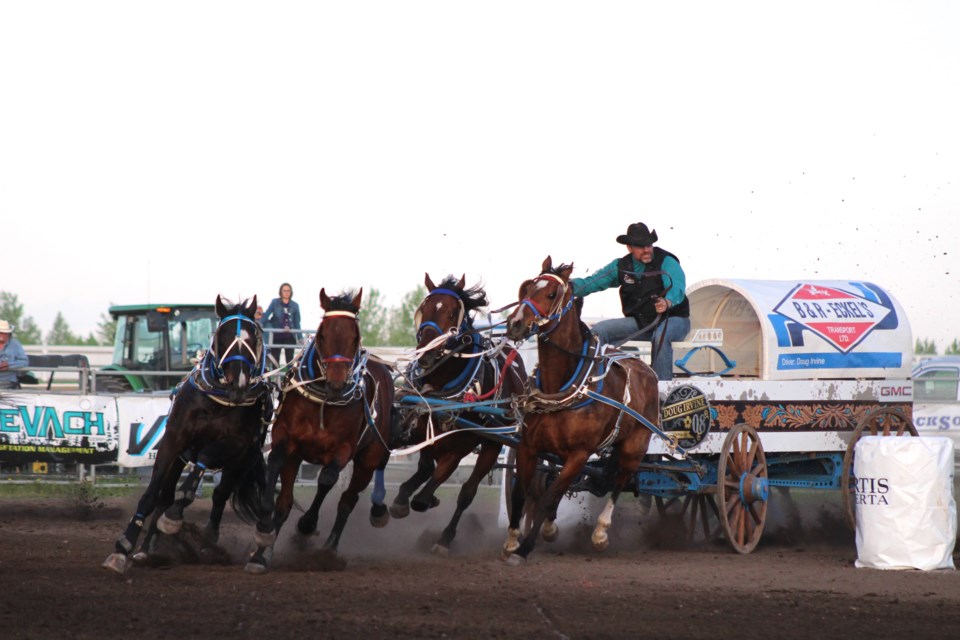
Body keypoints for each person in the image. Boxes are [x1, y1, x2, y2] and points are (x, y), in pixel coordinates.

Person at [569, 222, 691, 380]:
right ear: (629, 247)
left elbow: (677, 287)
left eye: (649, 245)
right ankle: (592, 382)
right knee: (598, 332)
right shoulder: (619, 266)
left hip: (674, 320)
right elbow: (593, 282)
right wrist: (566, 287)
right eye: (641, 246)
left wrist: (667, 302)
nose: (647, 250)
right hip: (642, 323)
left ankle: (661, 391)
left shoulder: (667, 261)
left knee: (660, 336)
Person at [263, 283, 301, 366]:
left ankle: (289, 378)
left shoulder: (295, 305)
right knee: (275, 360)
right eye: (284, 290)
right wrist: (259, 324)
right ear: (281, 292)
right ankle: (275, 378)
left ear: (291, 292)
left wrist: (300, 337)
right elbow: (266, 315)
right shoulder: (275, 302)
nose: (286, 292)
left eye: (288, 291)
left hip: (290, 336)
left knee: (290, 360)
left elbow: (297, 322)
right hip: (276, 336)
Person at [0, 320, 29, 389]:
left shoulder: (15, 344)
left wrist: (9, 365)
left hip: (8, 381)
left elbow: (24, 361)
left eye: (5, 333)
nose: (2, 335)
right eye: (1, 332)